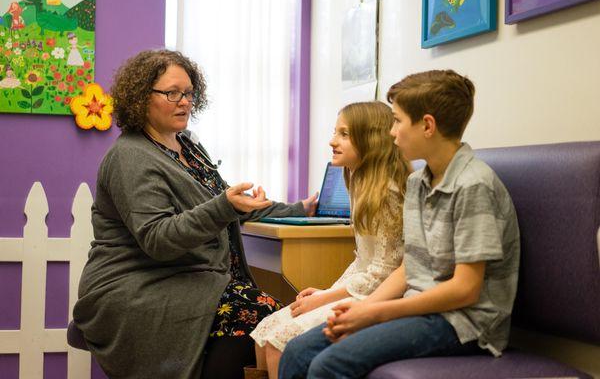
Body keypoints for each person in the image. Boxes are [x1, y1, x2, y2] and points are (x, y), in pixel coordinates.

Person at [72, 49, 317, 379]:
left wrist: (300, 209)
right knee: (257, 316)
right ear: (141, 97)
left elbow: (230, 205)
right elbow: (158, 239)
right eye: (172, 93)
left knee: (270, 318)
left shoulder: (187, 145)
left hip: (189, 279)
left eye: (188, 93)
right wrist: (224, 206)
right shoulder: (130, 157)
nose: (184, 101)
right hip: (134, 285)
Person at [279, 70, 521, 379]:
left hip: (463, 323)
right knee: (297, 352)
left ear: (427, 126)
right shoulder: (419, 182)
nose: (392, 133)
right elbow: (410, 266)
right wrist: (363, 308)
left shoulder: (473, 185)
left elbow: (466, 289)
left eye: (397, 121)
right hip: (418, 310)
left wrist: (376, 311)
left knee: (329, 364)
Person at [248, 101, 412, 378]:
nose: (332, 141)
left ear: (370, 139)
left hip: (379, 296)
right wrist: (327, 293)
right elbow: (362, 260)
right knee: (263, 333)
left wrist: (327, 297)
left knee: (279, 344)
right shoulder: (360, 183)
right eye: (335, 132)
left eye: (344, 134)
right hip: (360, 288)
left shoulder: (388, 192)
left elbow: (383, 271)